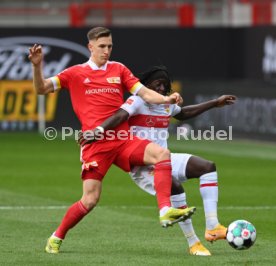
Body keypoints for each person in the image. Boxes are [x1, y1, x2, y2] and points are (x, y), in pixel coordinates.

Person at [28, 27, 196, 254]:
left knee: (161, 154)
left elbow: (145, 94)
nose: (106, 51)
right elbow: (41, 89)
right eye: (102, 46)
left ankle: (165, 209)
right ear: (90, 47)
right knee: (90, 200)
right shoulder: (75, 73)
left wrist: (167, 98)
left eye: (109, 46)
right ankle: (56, 237)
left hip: (123, 139)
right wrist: (37, 66)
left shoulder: (119, 69)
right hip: (96, 144)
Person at [78, 65, 237, 256]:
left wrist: (214, 103)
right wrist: (99, 131)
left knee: (207, 167)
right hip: (142, 166)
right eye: (157, 83)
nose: (162, 88)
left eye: (165, 85)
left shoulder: (166, 104)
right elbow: (119, 115)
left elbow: (184, 113)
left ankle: (213, 226)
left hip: (164, 158)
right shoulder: (137, 101)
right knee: (175, 186)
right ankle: (193, 243)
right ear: (146, 85)